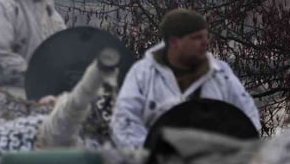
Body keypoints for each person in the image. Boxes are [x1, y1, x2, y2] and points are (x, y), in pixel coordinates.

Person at [110, 8, 261, 148]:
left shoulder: (220, 74)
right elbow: (124, 121)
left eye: (205, 36)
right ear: (174, 42)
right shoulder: (142, 74)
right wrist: (151, 156)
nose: (205, 43)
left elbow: (247, 116)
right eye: (196, 38)